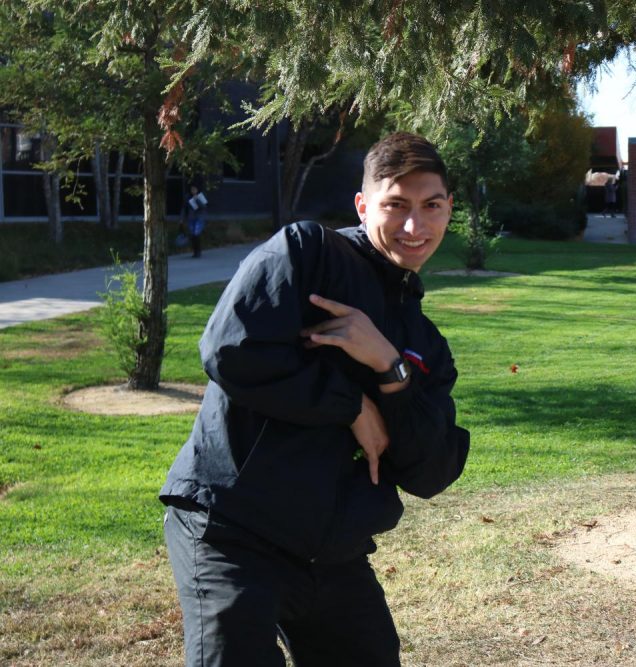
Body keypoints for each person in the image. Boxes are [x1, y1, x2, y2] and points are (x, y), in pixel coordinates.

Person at [160, 132, 470, 667]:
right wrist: (352, 407)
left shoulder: (425, 344)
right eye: (396, 205)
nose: (415, 227)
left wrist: (387, 367)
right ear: (363, 204)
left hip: (332, 553)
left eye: (431, 207)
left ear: (448, 210)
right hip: (234, 531)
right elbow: (233, 350)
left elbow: (432, 470)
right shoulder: (308, 254)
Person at [182, 184, 208, 258]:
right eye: (192, 189)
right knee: (192, 234)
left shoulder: (201, 196)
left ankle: (198, 251)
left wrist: (197, 199)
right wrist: (182, 218)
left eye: (194, 189)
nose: (193, 191)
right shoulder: (187, 197)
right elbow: (184, 208)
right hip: (191, 218)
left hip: (199, 217)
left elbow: (204, 206)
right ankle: (195, 251)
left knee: (197, 234)